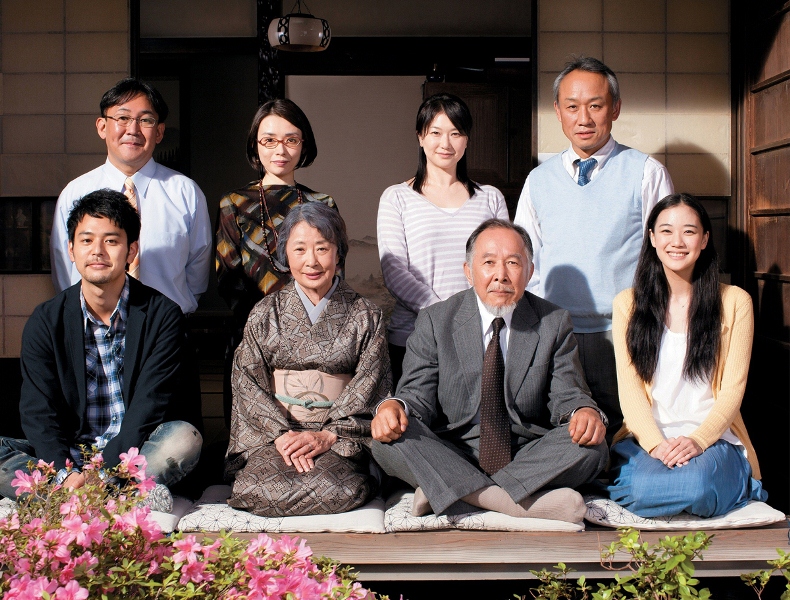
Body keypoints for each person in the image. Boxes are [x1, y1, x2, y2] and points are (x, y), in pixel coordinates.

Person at [372, 219, 608, 523]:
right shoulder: (436, 320)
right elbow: (416, 396)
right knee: (386, 438)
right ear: (469, 271)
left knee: (593, 445)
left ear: (529, 271)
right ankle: (511, 503)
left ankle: (455, 493)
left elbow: (568, 392)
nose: (501, 275)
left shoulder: (553, 322)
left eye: (512, 263)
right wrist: (394, 407)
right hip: (452, 450)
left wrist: (583, 411)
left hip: (527, 453)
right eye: (488, 263)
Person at [0, 190, 202, 511]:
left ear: (131, 250)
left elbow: (150, 407)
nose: (97, 251)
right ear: (70, 249)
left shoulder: (163, 315)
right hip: (70, 452)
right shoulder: (45, 320)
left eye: (111, 241)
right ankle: (114, 495)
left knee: (183, 440)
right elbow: (38, 411)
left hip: (137, 451)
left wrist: (101, 473)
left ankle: (72, 497)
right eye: (86, 240)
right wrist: (65, 472)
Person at [513, 57, 674, 438]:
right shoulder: (538, 180)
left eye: (595, 105)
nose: (583, 118)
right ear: (558, 112)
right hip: (557, 334)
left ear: (615, 108)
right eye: (572, 106)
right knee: (566, 432)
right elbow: (524, 260)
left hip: (624, 332)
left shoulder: (646, 172)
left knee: (627, 432)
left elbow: (667, 259)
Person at [225, 203, 391, 517]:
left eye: (322, 248)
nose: (311, 261)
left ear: (338, 253)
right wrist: (281, 435)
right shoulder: (264, 313)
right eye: (299, 249)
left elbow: (371, 385)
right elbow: (247, 381)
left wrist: (330, 434)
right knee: (255, 487)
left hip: (337, 437)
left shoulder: (365, 315)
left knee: (338, 488)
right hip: (277, 436)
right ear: (285, 254)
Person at [607, 194, 767, 517]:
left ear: (705, 238)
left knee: (697, 487)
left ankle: (726, 480)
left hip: (713, 439)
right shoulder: (628, 304)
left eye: (689, 232)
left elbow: (733, 391)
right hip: (649, 441)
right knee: (640, 489)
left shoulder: (736, 303)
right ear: (652, 237)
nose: (677, 242)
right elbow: (630, 392)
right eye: (666, 231)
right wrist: (656, 444)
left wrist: (697, 440)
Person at [216, 98, 337, 425]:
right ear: (256, 146)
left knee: (308, 431)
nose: (279, 149)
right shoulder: (234, 204)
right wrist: (268, 325)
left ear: (304, 144)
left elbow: (331, 273)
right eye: (268, 140)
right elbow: (227, 279)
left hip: (312, 336)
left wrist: (300, 324)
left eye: (291, 139)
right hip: (250, 336)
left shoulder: (322, 204)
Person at [378, 93, 509, 387]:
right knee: (414, 426)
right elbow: (395, 271)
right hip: (413, 337)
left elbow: (505, 266)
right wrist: (446, 316)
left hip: (481, 336)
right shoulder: (397, 198)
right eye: (435, 133)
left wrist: (467, 321)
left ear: (467, 140)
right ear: (420, 137)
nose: (445, 143)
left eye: (455, 133)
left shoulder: (490, 198)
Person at [51, 78, 212, 316]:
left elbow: (197, 271)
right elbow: (64, 269)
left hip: (165, 330)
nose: (133, 130)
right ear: (102, 127)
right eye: (122, 118)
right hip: (92, 331)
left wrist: (172, 313)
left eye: (145, 120)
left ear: (159, 132)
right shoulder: (75, 193)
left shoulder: (185, 192)